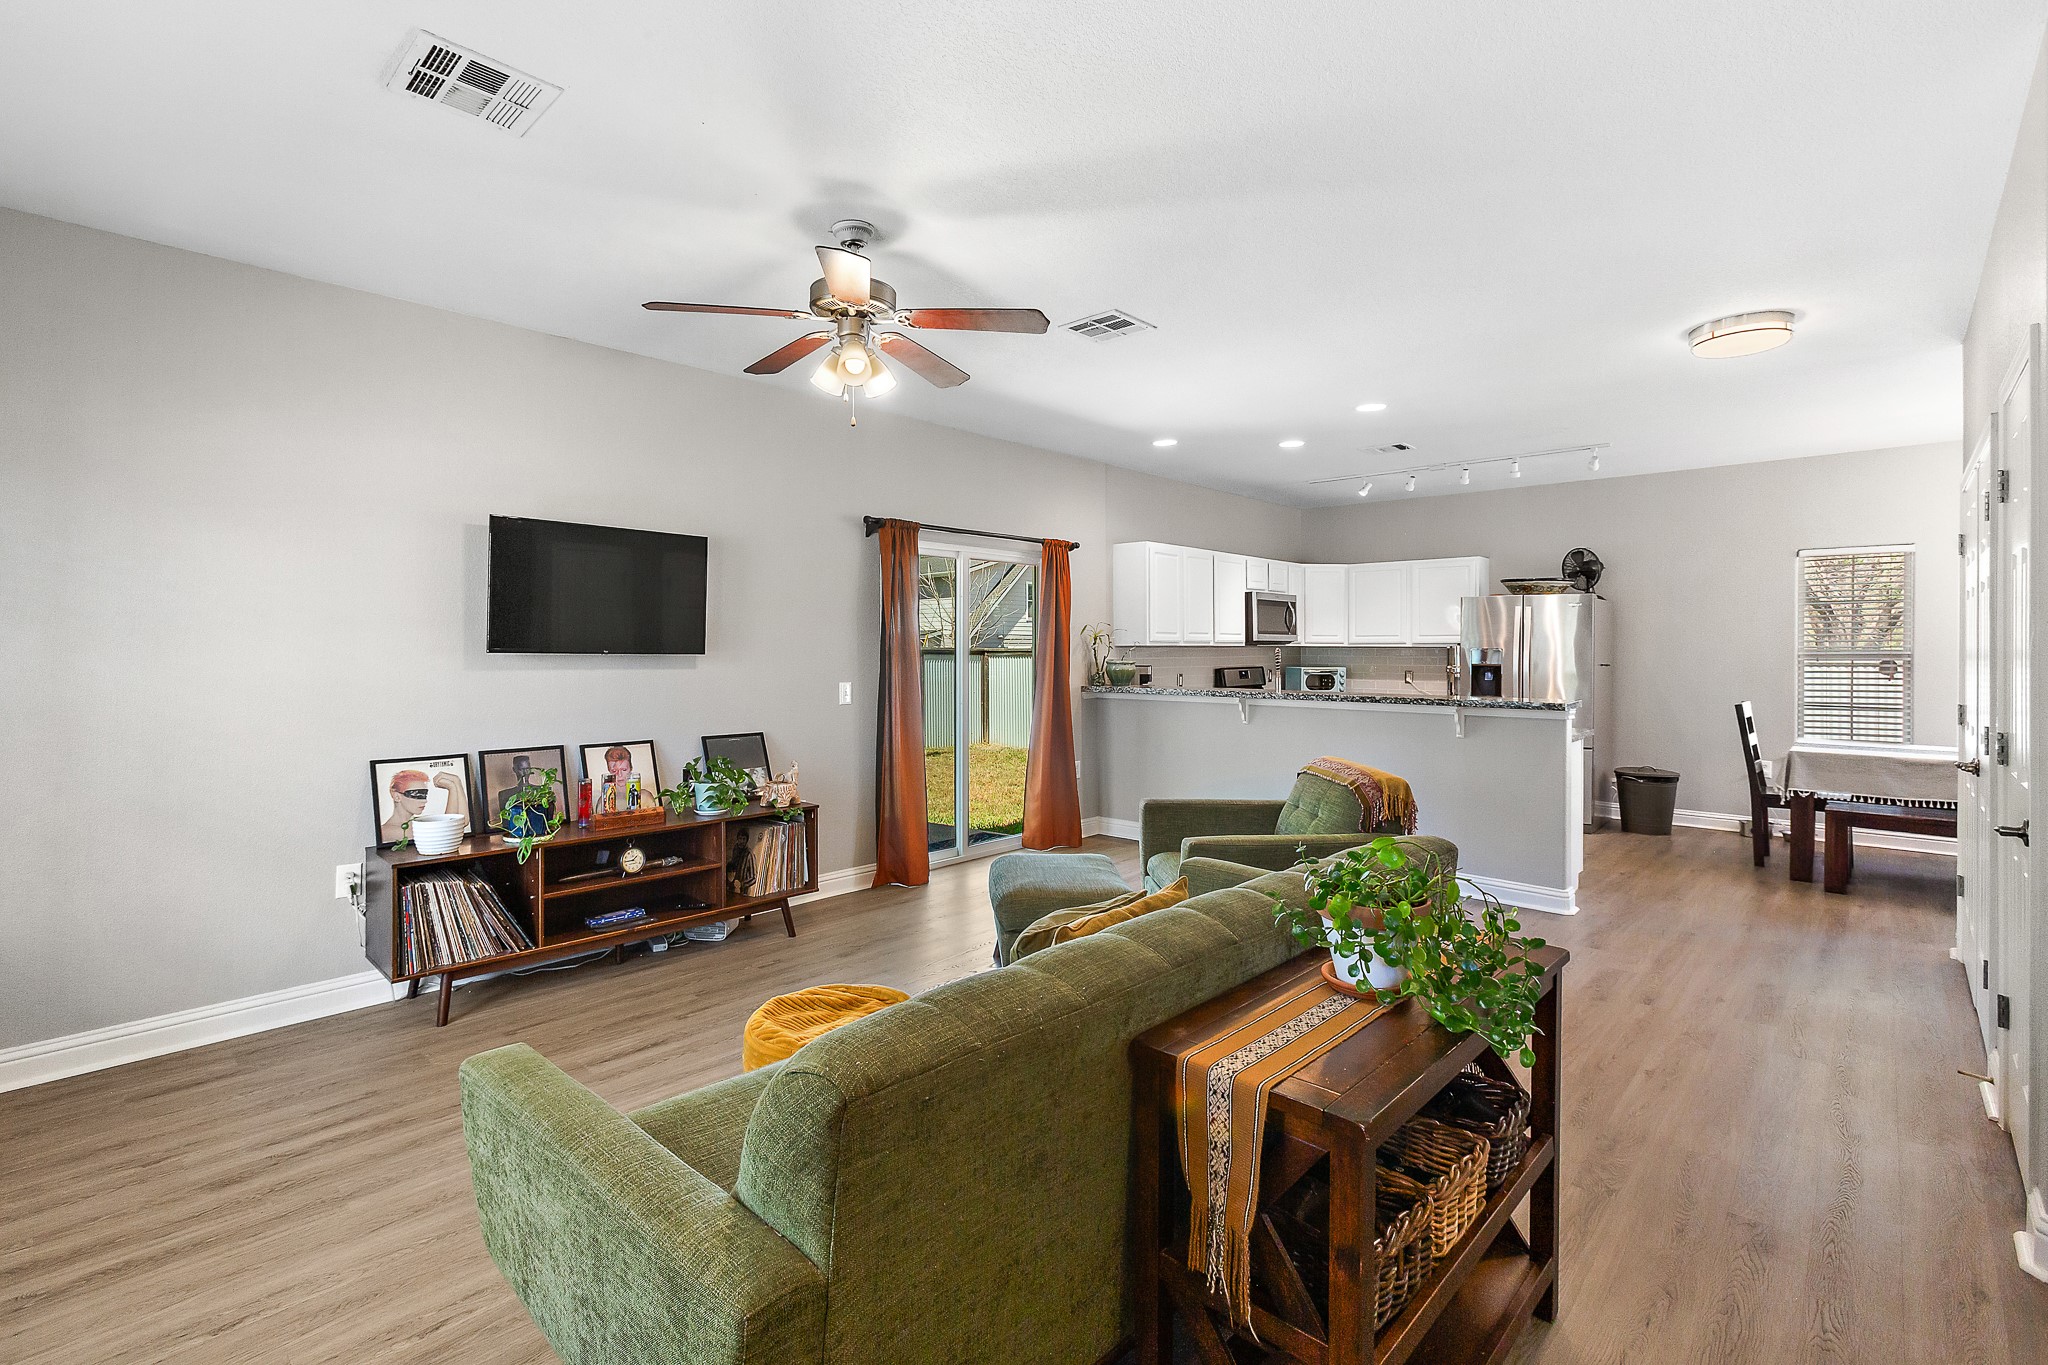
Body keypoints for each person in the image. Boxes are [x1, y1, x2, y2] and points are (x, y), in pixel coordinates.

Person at [381, 767, 466, 843]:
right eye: (416, 794)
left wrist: (457, 783)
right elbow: (448, 830)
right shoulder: (387, 831)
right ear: (396, 796)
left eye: (425, 795)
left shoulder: (416, 824)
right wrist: (452, 787)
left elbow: (463, 821)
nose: (424, 800)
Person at [494, 754, 556, 827]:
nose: (525, 773)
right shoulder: (505, 794)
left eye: (527, 768)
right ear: (514, 770)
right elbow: (506, 823)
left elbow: (549, 819)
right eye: (521, 769)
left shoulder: (542, 791)